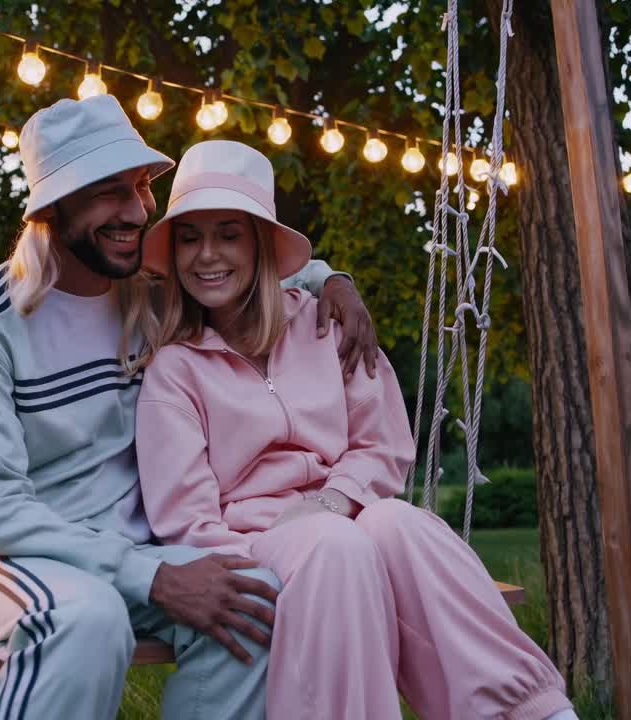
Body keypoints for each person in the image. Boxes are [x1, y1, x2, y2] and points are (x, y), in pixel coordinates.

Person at [0, 95, 379, 720]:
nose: (137, 210)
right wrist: (151, 576)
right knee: (84, 617)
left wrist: (330, 279)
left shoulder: (155, 298)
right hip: (7, 560)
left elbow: (250, 269)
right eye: (111, 192)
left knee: (252, 600)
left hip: (137, 551)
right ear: (53, 207)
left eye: (139, 187)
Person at [133, 140, 578, 720]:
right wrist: (290, 539)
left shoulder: (327, 326)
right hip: (254, 543)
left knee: (403, 523)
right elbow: (187, 521)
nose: (206, 255)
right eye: (189, 237)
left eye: (229, 233)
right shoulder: (176, 369)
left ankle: (530, 712)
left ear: (262, 244)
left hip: (343, 512)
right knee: (337, 549)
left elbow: (382, 444)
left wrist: (329, 502)